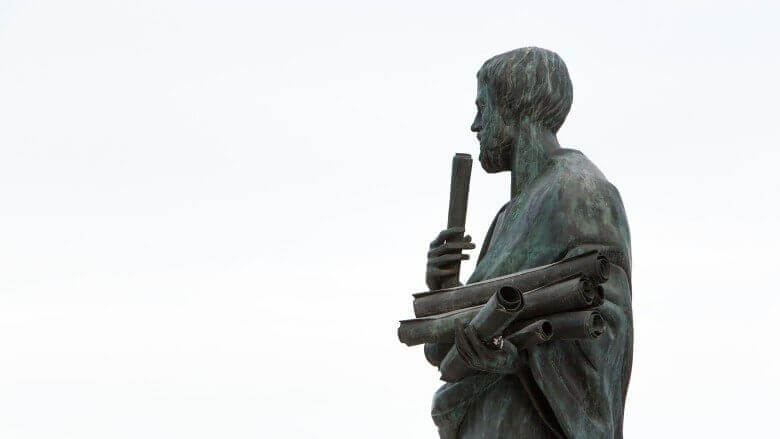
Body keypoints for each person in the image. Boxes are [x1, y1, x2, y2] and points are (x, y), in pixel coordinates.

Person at [424, 47, 633, 438]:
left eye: (483, 108)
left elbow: (606, 327)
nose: (475, 125)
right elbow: (446, 357)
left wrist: (520, 351)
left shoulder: (580, 191)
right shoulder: (507, 217)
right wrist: (445, 291)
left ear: (513, 107)